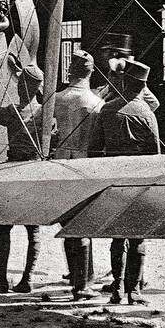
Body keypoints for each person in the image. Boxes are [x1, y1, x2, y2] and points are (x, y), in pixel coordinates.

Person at [90, 59, 160, 305]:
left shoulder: (107, 110)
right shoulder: (147, 114)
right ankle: (134, 291)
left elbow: (94, 149)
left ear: (124, 81)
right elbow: (156, 156)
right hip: (139, 183)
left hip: (114, 181)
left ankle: (117, 290)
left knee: (117, 238)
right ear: (143, 86)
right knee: (139, 238)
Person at [0, 58, 50, 295]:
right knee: (33, 232)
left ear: (24, 87)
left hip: (13, 173)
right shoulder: (45, 114)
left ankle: (1, 278)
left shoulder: (13, 112)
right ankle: (27, 279)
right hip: (34, 173)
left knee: (3, 229)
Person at [52, 50, 104, 300]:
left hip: (60, 164)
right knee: (83, 225)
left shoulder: (58, 99)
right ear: (91, 71)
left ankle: (77, 275)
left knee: (67, 223)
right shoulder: (97, 103)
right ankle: (82, 282)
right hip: (86, 165)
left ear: (69, 70)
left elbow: (33, 121)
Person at [95, 33, 159, 112]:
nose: (104, 55)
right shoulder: (113, 72)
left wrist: (137, 114)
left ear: (115, 54)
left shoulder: (130, 77)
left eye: (107, 52)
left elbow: (154, 103)